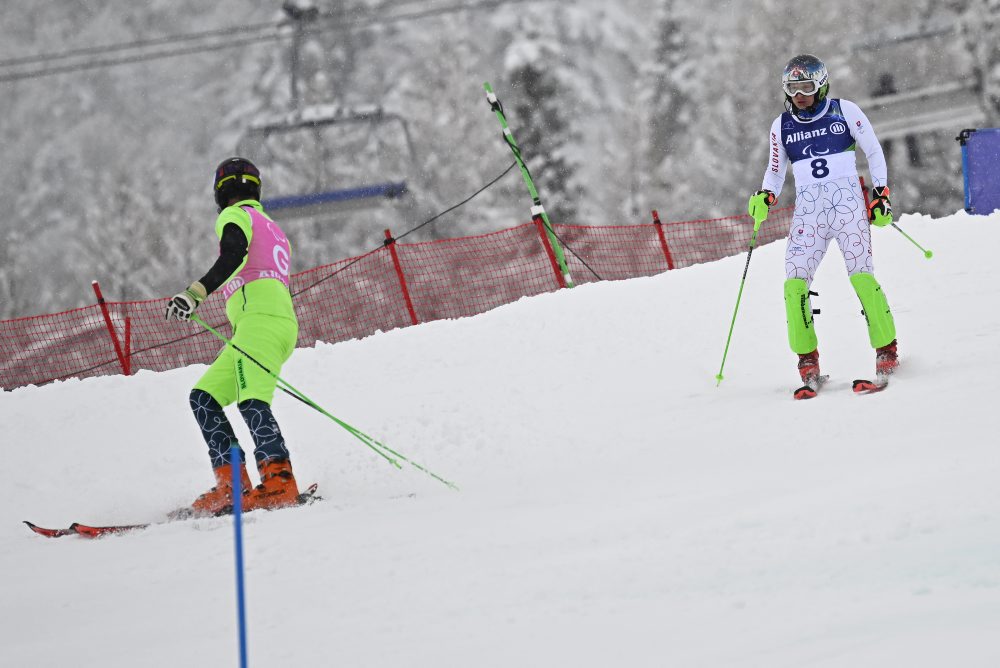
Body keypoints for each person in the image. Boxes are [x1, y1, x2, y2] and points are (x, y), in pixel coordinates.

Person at [747, 54, 898, 394]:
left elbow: (873, 151)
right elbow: (774, 170)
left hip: (847, 209)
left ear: (821, 83)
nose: (799, 95)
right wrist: (765, 196)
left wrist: (881, 194)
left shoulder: (845, 111)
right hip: (809, 214)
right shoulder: (781, 126)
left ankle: (887, 349)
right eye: (792, 88)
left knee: (862, 276)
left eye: (806, 87)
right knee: (793, 283)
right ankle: (807, 360)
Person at [165, 157, 302, 514]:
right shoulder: (271, 226)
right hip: (267, 324)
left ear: (219, 193)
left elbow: (233, 254)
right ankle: (233, 486)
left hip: (260, 323)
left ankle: (279, 483)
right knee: (204, 397)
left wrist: (195, 293)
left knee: (251, 401)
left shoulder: (234, 216)